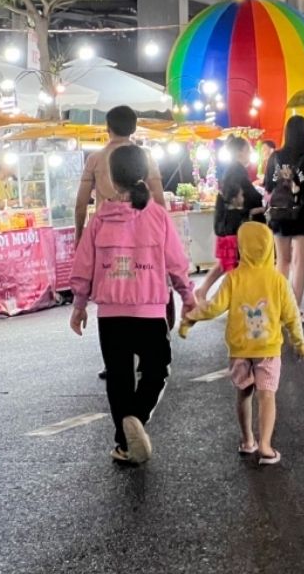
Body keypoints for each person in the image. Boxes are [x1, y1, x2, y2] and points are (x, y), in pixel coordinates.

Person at [68, 144, 196, 465]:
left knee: (119, 378)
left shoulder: (100, 219)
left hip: (111, 315)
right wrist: (188, 298)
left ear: (111, 177)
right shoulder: (157, 216)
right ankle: (136, 419)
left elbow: (83, 267)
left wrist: (79, 306)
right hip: (150, 310)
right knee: (157, 370)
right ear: (144, 173)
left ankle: (125, 442)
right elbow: (177, 264)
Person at [179, 222, 304, 465]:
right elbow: (291, 314)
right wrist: (299, 342)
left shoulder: (233, 278)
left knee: (244, 394)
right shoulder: (277, 280)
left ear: (242, 247)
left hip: (239, 350)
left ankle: (248, 440)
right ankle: (267, 446)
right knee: (267, 395)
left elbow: (214, 307)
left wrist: (190, 319)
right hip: (268, 349)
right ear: (270, 246)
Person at [263, 115, 304, 324]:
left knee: (282, 261)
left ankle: (280, 309)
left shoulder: (275, 157)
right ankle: (295, 310)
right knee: (300, 262)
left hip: (279, 215)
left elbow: (269, 187)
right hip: (302, 215)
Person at [75, 105, 165, 243]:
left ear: (108, 128)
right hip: (141, 232)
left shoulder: (94, 159)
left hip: (105, 233)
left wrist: (79, 235)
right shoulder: (146, 156)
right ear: (133, 128)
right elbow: (159, 199)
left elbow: (81, 204)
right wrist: (163, 232)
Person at [196, 136, 265, 303]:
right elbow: (247, 197)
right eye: (248, 150)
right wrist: (262, 202)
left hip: (228, 223)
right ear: (240, 152)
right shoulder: (237, 171)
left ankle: (206, 291)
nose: (250, 154)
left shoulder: (233, 170)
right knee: (231, 263)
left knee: (226, 263)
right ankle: (226, 298)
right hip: (233, 224)